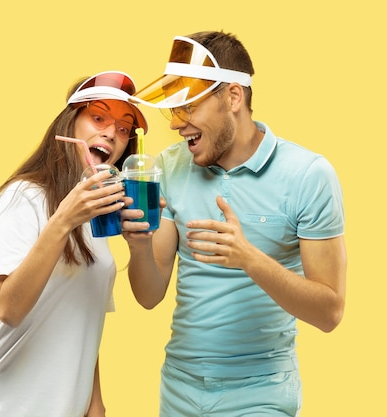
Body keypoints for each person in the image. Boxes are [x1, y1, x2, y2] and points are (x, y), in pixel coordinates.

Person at [122, 31, 347, 416]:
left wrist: (250, 259)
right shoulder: (169, 167)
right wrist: (139, 245)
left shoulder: (308, 174)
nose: (176, 124)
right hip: (179, 388)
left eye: (188, 106)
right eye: (173, 109)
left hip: (261, 392)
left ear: (233, 97)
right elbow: (148, 296)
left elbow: (329, 313)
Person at [0, 71, 148, 417]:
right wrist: (63, 220)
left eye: (124, 128)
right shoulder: (24, 197)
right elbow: (10, 309)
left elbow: (80, 316)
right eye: (98, 116)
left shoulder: (96, 215)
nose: (111, 132)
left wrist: (95, 405)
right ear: (70, 122)